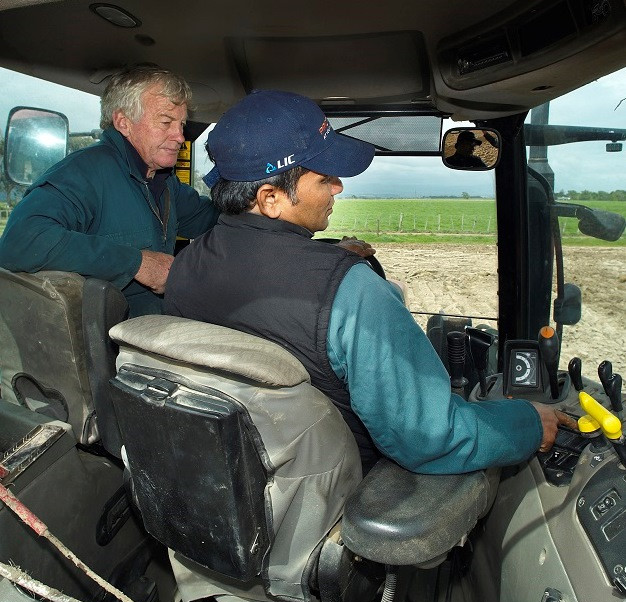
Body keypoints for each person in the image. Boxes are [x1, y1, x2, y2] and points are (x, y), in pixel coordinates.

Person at [164, 89, 575, 474]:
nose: (338, 186)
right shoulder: (350, 293)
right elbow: (428, 437)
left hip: (233, 477)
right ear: (270, 198)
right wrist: (526, 423)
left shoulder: (182, 269)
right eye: (324, 177)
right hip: (338, 487)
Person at [0, 66, 220, 316]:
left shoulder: (163, 182)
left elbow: (210, 219)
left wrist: (252, 202)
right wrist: (136, 263)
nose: (179, 136)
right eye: (166, 122)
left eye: (181, 124)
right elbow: (22, 241)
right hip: (106, 342)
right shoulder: (84, 172)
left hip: (152, 327)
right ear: (124, 122)